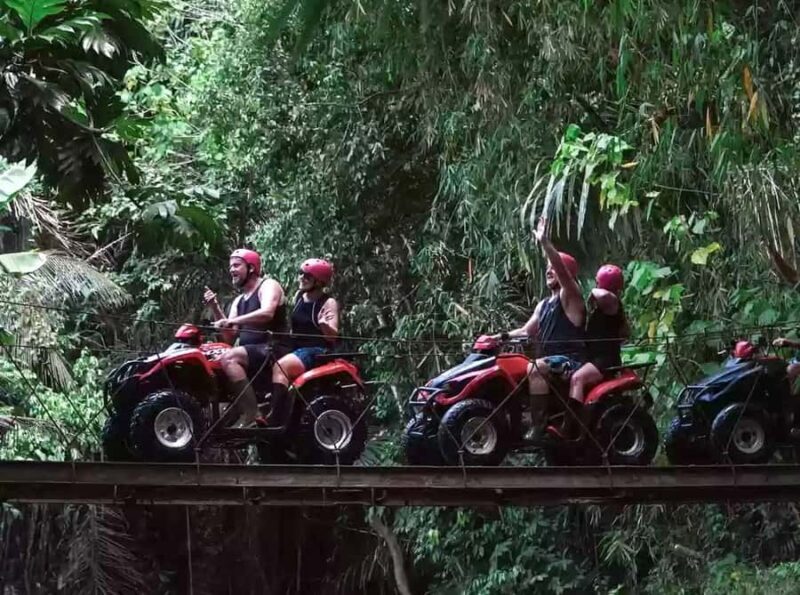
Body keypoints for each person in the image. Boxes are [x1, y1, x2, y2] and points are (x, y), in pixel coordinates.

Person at [492, 217, 586, 439]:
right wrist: (496, 337)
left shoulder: (571, 296)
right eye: (547, 268)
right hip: (551, 361)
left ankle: (539, 426)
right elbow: (526, 331)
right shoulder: (544, 304)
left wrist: (545, 243)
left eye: (554, 268)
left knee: (536, 368)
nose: (549, 271)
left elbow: (563, 274)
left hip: (569, 360)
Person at [203, 249, 287, 427]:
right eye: (230, 266)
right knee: (213, 360)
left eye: (236, 265)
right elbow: (230, 337)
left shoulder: (268, 285)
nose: (231, 270)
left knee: (229, 357)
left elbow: (267, 313)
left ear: (251, 267)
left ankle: (252, 413)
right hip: (252, 353)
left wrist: (232, 320)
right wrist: (215, 308)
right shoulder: (239, 301)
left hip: (274, 349)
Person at [266, 258, 340, 431]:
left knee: (281, 367)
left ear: (319, 281)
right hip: (297, 347)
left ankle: (275, 417)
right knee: (265, 354)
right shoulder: (300, 297)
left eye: (307, 276)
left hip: (317, 350)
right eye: (301, 274)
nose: (301, 278)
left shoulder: (328, 302)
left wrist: (324, 325)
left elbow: (332, 336)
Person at [569, 264, 630, 403]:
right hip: (593, 359)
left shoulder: (613, 303)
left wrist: (593, 291)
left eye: (597, 282)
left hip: (604, 361)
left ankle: (574, 421)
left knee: (577, 379)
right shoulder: (603, 309)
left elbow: (602, 294)